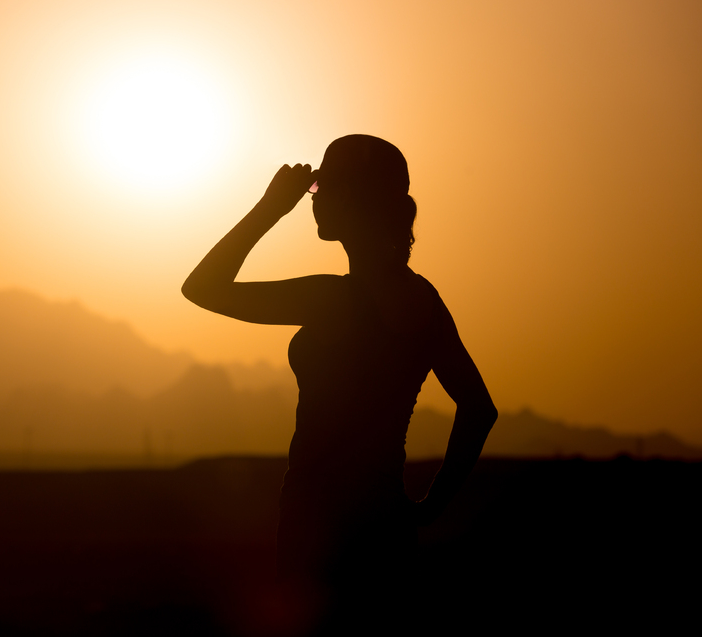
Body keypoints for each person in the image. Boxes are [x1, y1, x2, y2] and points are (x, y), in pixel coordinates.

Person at [182, 135, 497, 633]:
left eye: (321, 189)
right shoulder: (422, 299)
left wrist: (269, 208)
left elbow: (201, 288)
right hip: (386, 524)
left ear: (353, 200)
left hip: (318, 525)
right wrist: (427, 508)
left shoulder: (333, 299)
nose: (314, 200)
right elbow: (479, 409)